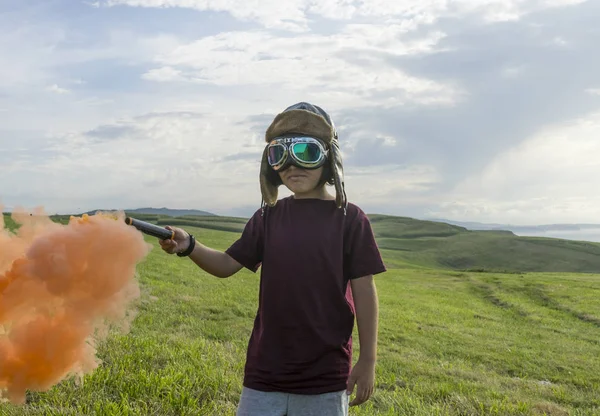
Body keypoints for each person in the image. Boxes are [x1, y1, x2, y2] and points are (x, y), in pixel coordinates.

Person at [159, 102, 387, 416]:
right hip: (265, 370)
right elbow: (227, 264)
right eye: (279, 154)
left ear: (330, 157)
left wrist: (368, 359)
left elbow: (364, 292)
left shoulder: (349, 219)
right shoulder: (269, 216)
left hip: (325, 376)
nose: (292, 165)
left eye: (306, 152)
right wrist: (188, 245)